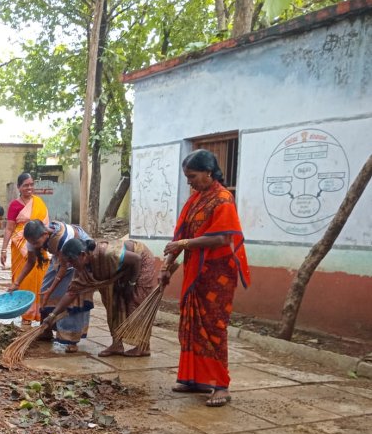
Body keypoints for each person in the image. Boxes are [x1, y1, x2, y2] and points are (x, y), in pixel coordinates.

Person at [161, 149, 250, 407]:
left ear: (208, 172)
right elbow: (180, 236)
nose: (189, 182)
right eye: (187, 177)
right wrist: (167, 265)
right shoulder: (196, 199)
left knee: (213, 327)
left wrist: (185, 243)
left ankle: (221, 386)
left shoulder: (223, 199)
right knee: (191, 327)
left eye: (192, 176)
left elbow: (223, 237)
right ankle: (196, 379)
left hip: (217, 275)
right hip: (194, 272)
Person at [46, 237, 160, 357]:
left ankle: (143, 347)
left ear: (83, 255)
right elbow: (71, 293)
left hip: (140, 262)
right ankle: (117, 344)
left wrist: (131, 284)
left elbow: (136, 259)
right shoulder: (81, 269)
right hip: (118, 271)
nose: (71, 265)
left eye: (72, 261)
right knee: (112, 303)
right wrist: (52, 315)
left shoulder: (107, 253)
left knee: (136, 302)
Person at [10, 219, 94, 352]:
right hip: (61, 257)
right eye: (32, 244)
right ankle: (46, 330)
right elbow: (31, 261)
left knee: (72, 295)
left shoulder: (63, 237)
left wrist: (52, 289)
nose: (35, 246)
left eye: (37, 243)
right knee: (44, 291)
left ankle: (71, 339)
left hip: (77, 256)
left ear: (45, 234)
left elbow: (64, 267)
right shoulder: (34, 239)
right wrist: (16, 283)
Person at [1, 172, 48, 324]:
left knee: (42, 276)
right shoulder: (14, 205)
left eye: (31, 184)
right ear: (19, 187)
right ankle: (26, 313)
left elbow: (44, 224)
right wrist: (3, 249)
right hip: (20, 243)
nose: (29, 188)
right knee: (25, 277)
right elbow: (9, 228)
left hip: (38, 240)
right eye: (26, 185)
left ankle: (41, 312)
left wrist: (32, 222)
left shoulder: (39, 202)